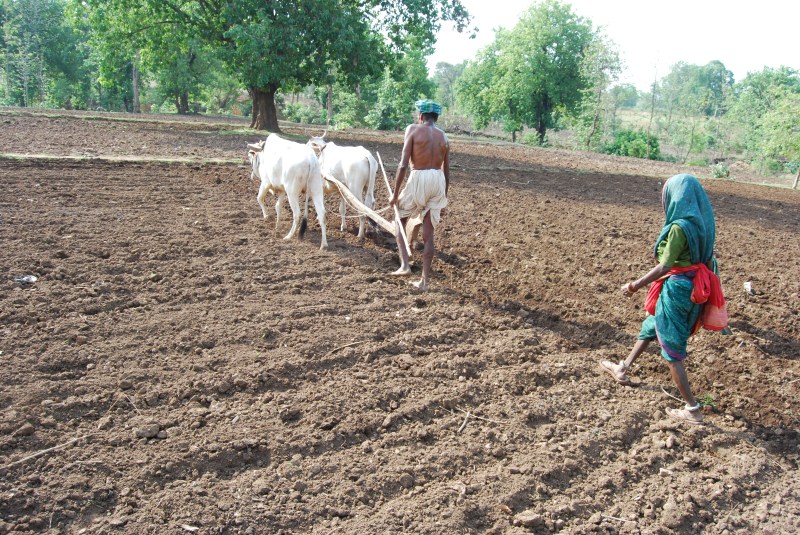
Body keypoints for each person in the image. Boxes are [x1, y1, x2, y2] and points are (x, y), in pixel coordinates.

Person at [599, 173, 728, 425]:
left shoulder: (680, 227)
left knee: (672, 351)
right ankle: (623, 368)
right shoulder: (703, 223)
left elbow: (665, 265)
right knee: (651, 326)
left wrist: (634, 285)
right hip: (694, 287)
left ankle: (693, 409)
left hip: (678, 290)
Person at [389, 99, 450, 291]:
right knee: (428, 234)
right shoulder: (444, 136)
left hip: (419, 177)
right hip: (438, 179)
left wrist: (395, 194)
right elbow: (447, 170)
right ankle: (424, 281)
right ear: (436, 117)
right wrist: (443, 196)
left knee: (398, 218)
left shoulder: (413, 130)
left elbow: (403, 164)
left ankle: (405, 265)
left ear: (421, 116)